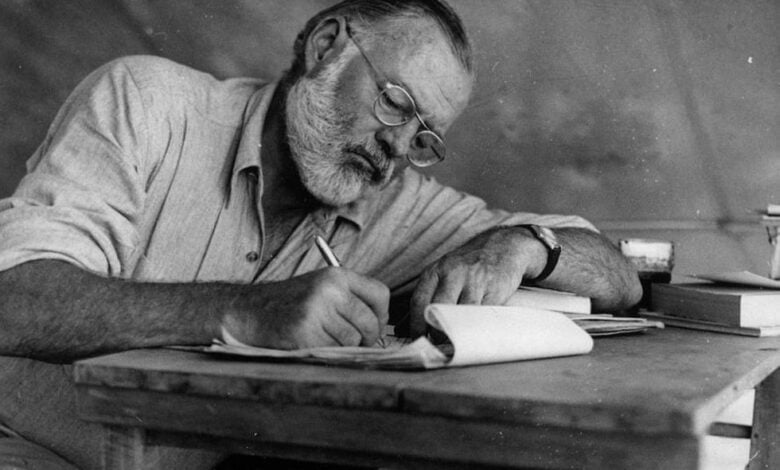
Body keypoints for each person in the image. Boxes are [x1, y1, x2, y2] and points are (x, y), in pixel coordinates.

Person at [0, 0, 642, 468]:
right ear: (327, 45)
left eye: (424, 138)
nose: (396, 146)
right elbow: (15, 300)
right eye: (395, 102)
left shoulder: (396, 202)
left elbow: (620, 275)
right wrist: (246, 313)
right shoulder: (146, 101)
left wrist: (526, 244)